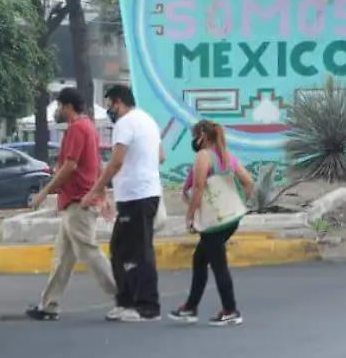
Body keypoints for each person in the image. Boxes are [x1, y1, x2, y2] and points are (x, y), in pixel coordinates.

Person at [25, 88, 116, 321]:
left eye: (58, 106)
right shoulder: (89, 127)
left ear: (67, 107)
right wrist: (103, 194)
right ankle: (49, 305)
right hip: (77, 201)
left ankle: (124, 297)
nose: (56, 110)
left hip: (79, 202)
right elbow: (95, 164)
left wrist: (44, 193)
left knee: (89, 252)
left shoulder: (77, 129)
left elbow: (70, 166)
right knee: (63, 258)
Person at [83, 84, 163, 323]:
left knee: (139, 253)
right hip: (141, 194)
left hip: (137, 197)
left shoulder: (125, 124)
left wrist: (95, 191)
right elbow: (161, 156)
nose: (109, 111)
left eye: (110, 106)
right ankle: (126, 302)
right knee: (119, 250)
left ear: (118, 102)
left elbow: (116, 162)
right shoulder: (147, 120)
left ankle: (148, 307)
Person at [169, 120, 255, 327]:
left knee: (218, 264)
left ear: (202, 137)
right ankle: (190, 307)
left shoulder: (203, 156)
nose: (193, 141)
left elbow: (198, 188)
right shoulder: (226, 156)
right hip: (229, 219)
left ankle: (230, 310)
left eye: (194, 136)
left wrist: (190, 217)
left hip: (213, 221)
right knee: (200, 259)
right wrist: (238, 202)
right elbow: (248, 182)